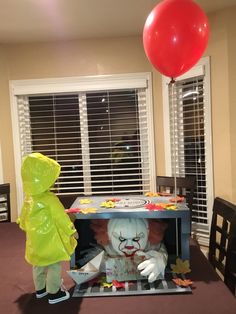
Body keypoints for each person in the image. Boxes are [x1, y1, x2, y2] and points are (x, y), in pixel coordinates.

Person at [17, 153, 77, 304]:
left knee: (38, 265)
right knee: (54, 266)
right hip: (50, 241)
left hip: (35, 241)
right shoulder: (50, 199)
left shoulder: (29, 199)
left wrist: (25, 226)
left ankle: (41, 289)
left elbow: (22, 218)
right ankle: (54, 293)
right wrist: (72, 230)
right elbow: (61, 218)